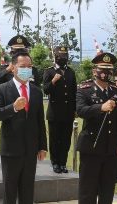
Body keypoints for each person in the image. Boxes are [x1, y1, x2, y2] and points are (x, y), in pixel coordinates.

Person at [0, 52, 47, 204]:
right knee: (10, 188)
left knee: (27, 188)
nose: (26, 69)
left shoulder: (37, 91)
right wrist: (13, 107)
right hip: (11, 149)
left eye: (29, 66)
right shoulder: (1, 89)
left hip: (30, 149)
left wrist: (42, 146)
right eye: (23, 66)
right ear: (13, 67)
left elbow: (40, 121)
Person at [76, 53, 117, 204]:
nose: (105, 73)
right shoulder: (85, 90)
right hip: (91, 146)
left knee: (107, 186)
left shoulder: (115, 91)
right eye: (102, 70)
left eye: (108, 70)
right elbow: (80, 110)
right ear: (94, 70)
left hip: (111, 147)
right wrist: (100, 108)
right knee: (88, 186)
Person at [43, 46, 77, 174]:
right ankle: (55, 162)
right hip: (55, 113)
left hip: (68, 113)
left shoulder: (71, 72)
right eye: (61, 56)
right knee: (55, 139)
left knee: (66, 140)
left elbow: (74, 92)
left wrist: (75, 110)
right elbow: (45, 90)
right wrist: (53, 81)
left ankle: (63, 163)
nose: (63, 58)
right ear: (55, 57)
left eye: (65, 55)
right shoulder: (49, 71)